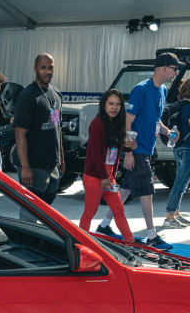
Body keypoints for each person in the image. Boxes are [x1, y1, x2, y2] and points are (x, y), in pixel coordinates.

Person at [97, 52, 178, 248]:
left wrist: (167, 132)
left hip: (148, 148)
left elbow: (155, 119)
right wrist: (129, 152)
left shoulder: (163, 90)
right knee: (147, 191)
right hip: (137, 148)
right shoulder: (141, 90)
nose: (176, 72)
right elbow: (128, 121)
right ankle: (152, 236)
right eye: (175, 69)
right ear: (164, 68)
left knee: (126, 189)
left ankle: (104, 225)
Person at [78, 90, 135, 242]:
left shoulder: (116, 124)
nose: (114, 108)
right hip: (95, 175)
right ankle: (81, 241)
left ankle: (130, 241)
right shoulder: (97, 124)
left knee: (119, 210)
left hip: (108, 176)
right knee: (90, 211)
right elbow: (95, 153)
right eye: (111, 104)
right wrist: (104, 177)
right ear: (103, 105)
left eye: (117, 104)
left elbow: (116, 148)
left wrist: (129, 147)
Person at [13, 53, 66, 204]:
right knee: (30, 213)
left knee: (47, 207)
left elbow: (57, 128)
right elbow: (20, 133)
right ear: (35, 69)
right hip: (33, 165)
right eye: (43, 68)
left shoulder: (56, 95)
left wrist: (61, 159)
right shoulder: (28, 96)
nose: (47, 71)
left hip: (51, 164)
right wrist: (25, 167)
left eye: (50, 67)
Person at [163, 76, 190, 228]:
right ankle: (170, 216)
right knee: (181, 185)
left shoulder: (179, 106)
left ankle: (176, 214)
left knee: (179, 183)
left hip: (179, 148)